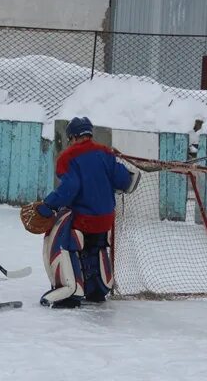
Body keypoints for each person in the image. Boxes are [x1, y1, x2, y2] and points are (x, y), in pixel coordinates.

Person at [35, 117, 139, 309]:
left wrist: (48, 205)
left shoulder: (68, 157)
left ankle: (72, 289)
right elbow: (125, 181)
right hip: (106, 219)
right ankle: (98, 288)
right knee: (95, 245)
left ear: (72, 137)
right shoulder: (106, 153)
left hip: (84, 219)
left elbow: (69, 188)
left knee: (66, 240)